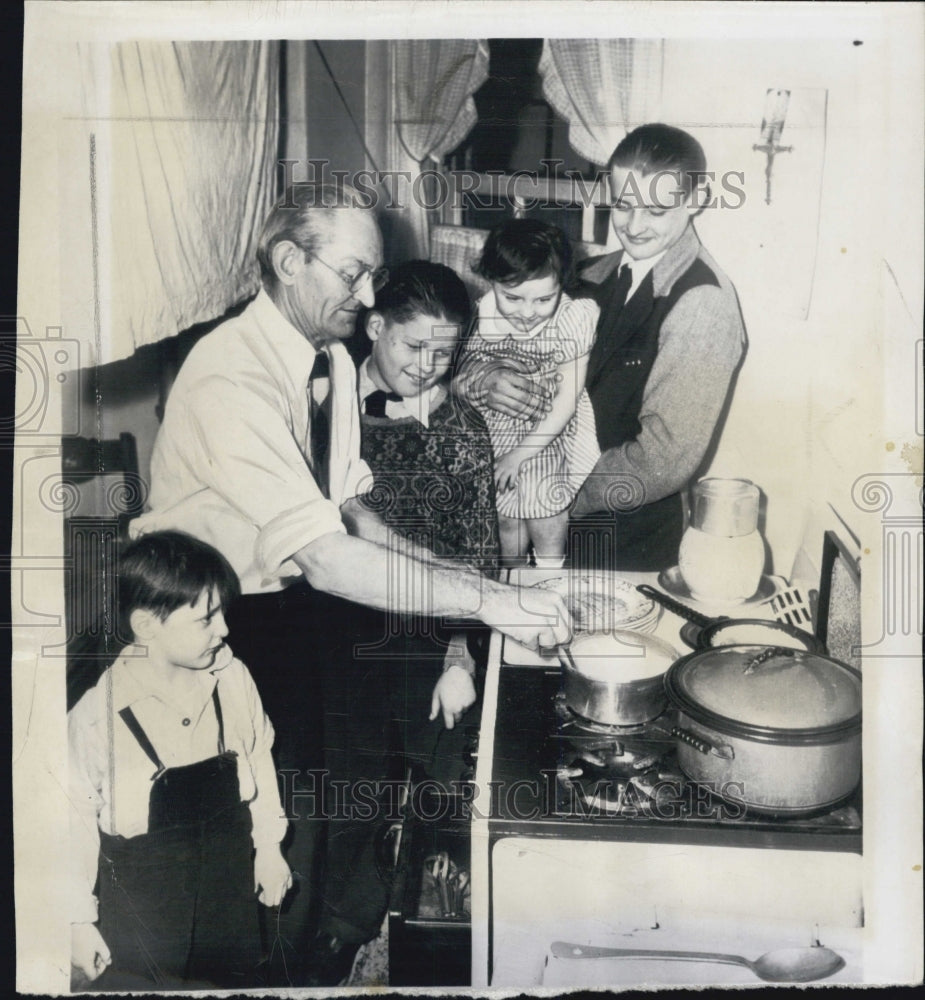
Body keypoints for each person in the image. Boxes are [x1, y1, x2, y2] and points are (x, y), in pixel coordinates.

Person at [130, 182, 571, 985]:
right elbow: (327, 556)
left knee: (353, 784)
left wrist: (451, 579)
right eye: (354, 274)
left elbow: (349, 515)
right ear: (288, 261)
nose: (368, 297)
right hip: (209, 619)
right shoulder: (232, 379)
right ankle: (268, 966)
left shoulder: (325, 357)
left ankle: (325, 946)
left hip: (289, 598)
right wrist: (494, 601)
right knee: (276, 813)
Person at [458, 125, 746, 571]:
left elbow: (663, 460)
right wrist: (484, 379)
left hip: (619, 547)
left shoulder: (702, 304)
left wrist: (546, 488)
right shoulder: (588, 275)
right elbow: (476, 357)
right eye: (623, 205)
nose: (633, 225)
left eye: (655, 209)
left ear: (697, 199)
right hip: (529, 517)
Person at [68, 531, 291, 991]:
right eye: (206, 619)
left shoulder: (232, 678)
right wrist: (75, 920)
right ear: (147, 625)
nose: (224, 630)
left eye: (222, 615)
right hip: (143, 913)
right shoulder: (97, 716)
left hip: (227, 893)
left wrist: (269, 848)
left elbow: (259, 760)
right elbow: (70, 823)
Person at [356, 259, 499, 770]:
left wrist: (460, 658)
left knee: (438, 792)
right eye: (414, 347)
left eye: (444, 352)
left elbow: (477, 551)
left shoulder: (460, 427)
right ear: (376, 327)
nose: (427, 365)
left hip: (425, 638)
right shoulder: (317, 403)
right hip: (330, 635)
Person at [455, 219, 600, 568]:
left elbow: (567, 400)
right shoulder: (482, 312)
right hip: (495, 431)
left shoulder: (572, 318)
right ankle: (512, 584)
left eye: (543, 299)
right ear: (490, 281)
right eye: (512, 297)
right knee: (504, 516)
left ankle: (551, 575)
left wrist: (520, 454)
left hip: (545, 431)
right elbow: (461, 367)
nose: (527, 312)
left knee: (544, 502)